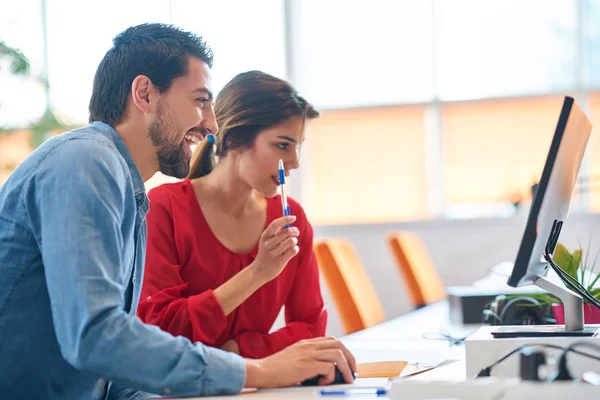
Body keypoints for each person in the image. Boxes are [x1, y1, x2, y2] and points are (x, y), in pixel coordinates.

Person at [0, 23, 355, 400]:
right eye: (201, 101)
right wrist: (256, 371)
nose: (212, 124)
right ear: (144, 94)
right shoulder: (86, 162)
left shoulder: (127, 190)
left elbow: (110, 375)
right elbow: (95, 338)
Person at [138, 71, 326, 359]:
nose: (294, 163)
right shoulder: (165, 209)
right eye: (282, 145)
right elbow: (158, 331)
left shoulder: (292, 219)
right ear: (235, 140)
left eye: (297, 147)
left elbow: (311, 328)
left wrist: (242, 350)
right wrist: (257, 273)